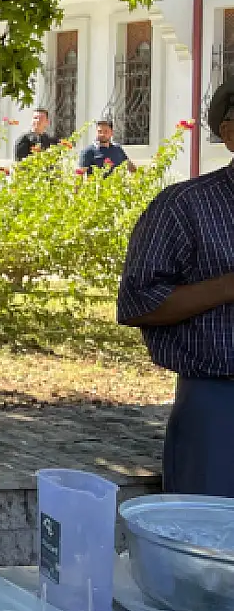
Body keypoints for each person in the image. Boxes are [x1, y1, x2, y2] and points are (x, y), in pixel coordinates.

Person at [118, 77, 234, 497]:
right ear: (230, 133)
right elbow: (138, 302)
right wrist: (227, 286)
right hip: (218, 403)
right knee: (208, 533)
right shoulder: (184, 206)